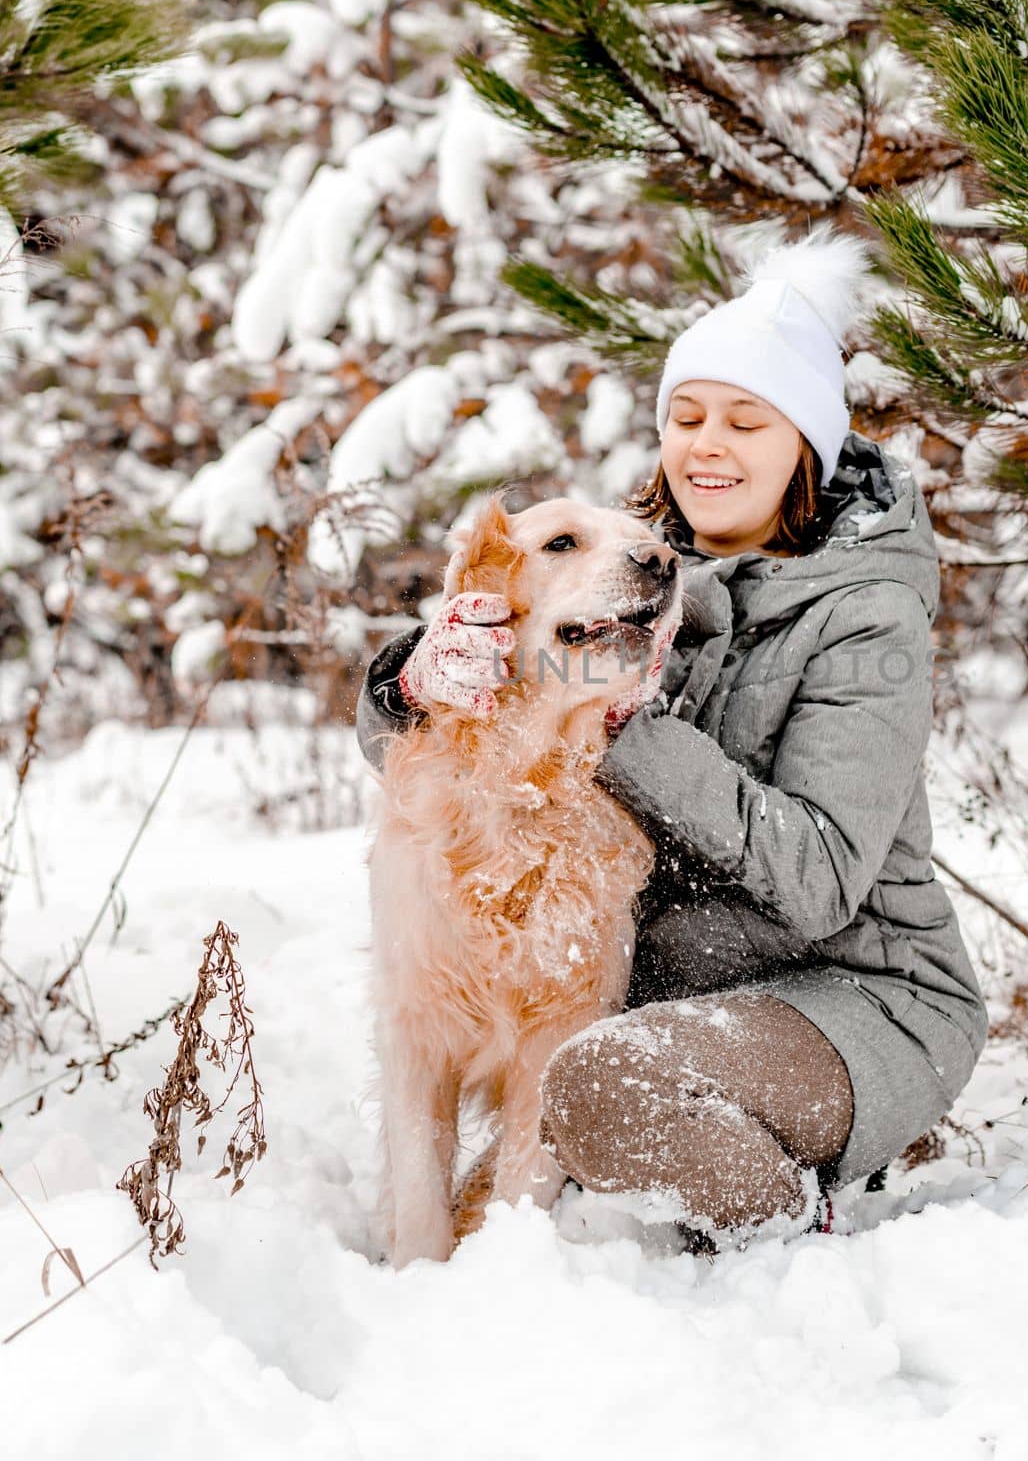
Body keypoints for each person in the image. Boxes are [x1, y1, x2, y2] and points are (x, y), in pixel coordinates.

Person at [356, 231, 988, 1243]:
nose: (708, 444)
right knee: (580, 1081)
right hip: (682, 995)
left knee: (599, 1088)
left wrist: (625, 727)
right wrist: (407, 682)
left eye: (749, 420)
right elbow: (482, 730)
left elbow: (822, 875)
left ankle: (791, 1222)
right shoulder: (639, 561)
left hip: (858, 994)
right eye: (686, 416)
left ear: (806, 448)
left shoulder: (869, 616)